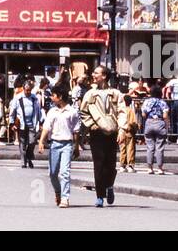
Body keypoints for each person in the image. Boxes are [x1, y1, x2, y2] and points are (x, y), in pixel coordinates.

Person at [80, 66, 124, 207]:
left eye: (96, 73)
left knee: (110, 164)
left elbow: (122, 112)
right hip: (97, 132)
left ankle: (109, 186)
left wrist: (122, 129)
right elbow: (83, 112)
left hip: (112, 132)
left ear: (104, 76)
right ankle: (100, 195)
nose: (94, 75)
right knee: (98, 164)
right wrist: (92, 124)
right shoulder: (90, 94)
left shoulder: (116, 93)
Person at [37, 85, 81, 208]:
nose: (51, 98)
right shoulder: (52, 111)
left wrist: (76, 147)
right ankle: (58, 191)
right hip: (54, 144)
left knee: (65, 172)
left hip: (67, 144)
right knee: (52, 173)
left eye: (53, 95)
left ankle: (65, 198)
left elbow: (76, 131)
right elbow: (46, 127)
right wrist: (41, 141)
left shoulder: (72, 112)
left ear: (60, 97)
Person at [9, 78, 44, 168]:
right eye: (26, 90)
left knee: (32, 142)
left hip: (32, 123)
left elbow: (38, 110)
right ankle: (23, 161)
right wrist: (12, 123)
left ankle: (28, 157)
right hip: (21, 124)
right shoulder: (18, 98)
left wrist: (40, 122)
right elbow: (12, 111)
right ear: (23, 89)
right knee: (22, 143)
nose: (28, 92)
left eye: (29, 90)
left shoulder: (34, 98)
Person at [140, 87, 170, 175]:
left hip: (149, 122)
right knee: (159, 147)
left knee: (150, 147)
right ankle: (160, 168)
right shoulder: (163, 102)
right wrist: (166, 125)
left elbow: (143, 114)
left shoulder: (147, 102)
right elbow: (165, 116)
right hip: (160, 123)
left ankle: (150, 167)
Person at [117, 89, 138, 173]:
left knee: (122, 148)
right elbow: (133, 122)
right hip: (129, 131)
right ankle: (130, 165)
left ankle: (122, 165)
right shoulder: (130, 110)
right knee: (130, 148)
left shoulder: (120, 110)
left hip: (121, 130)